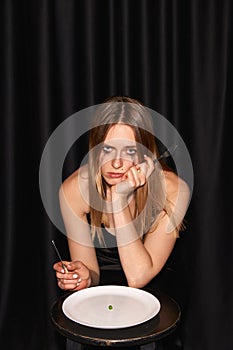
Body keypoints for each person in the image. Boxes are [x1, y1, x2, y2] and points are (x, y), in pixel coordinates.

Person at [53, 96, 190, 350]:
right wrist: (83, 277)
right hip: (103, 292)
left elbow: (140, 276)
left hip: (157, 290)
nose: (116, 163)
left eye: (128, 151)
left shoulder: (173, 189)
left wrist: (118, 199)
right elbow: (92, 275)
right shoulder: (74, 190)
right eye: (107, 149)